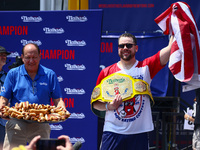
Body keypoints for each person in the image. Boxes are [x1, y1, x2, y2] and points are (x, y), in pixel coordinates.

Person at [91, 33, 173, 150]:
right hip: (112, 132)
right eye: (122, 46)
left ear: (136, 48)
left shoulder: (146, 67)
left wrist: (176, 32)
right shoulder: (106, 72)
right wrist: (110, 106)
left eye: (129, 45)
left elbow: (167, 53)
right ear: (118, 49)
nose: (125, 48)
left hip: (139, 133)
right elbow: (95, 103)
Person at [0, 43, 66, 150]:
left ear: (40, 56)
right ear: (22, 57)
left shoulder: (49, 74)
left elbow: (58, 100)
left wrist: (62, 109)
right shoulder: (13, 74)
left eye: (34, 57)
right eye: (28, 57)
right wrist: (2, 108)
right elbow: (3, 98)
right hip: (17, 123)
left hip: (41, 123)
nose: (31, 61)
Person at [0, 46, 11, 150]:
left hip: (3, 122)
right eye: (1, 55)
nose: (4, 57)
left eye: (5, 55)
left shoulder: (8, 77)